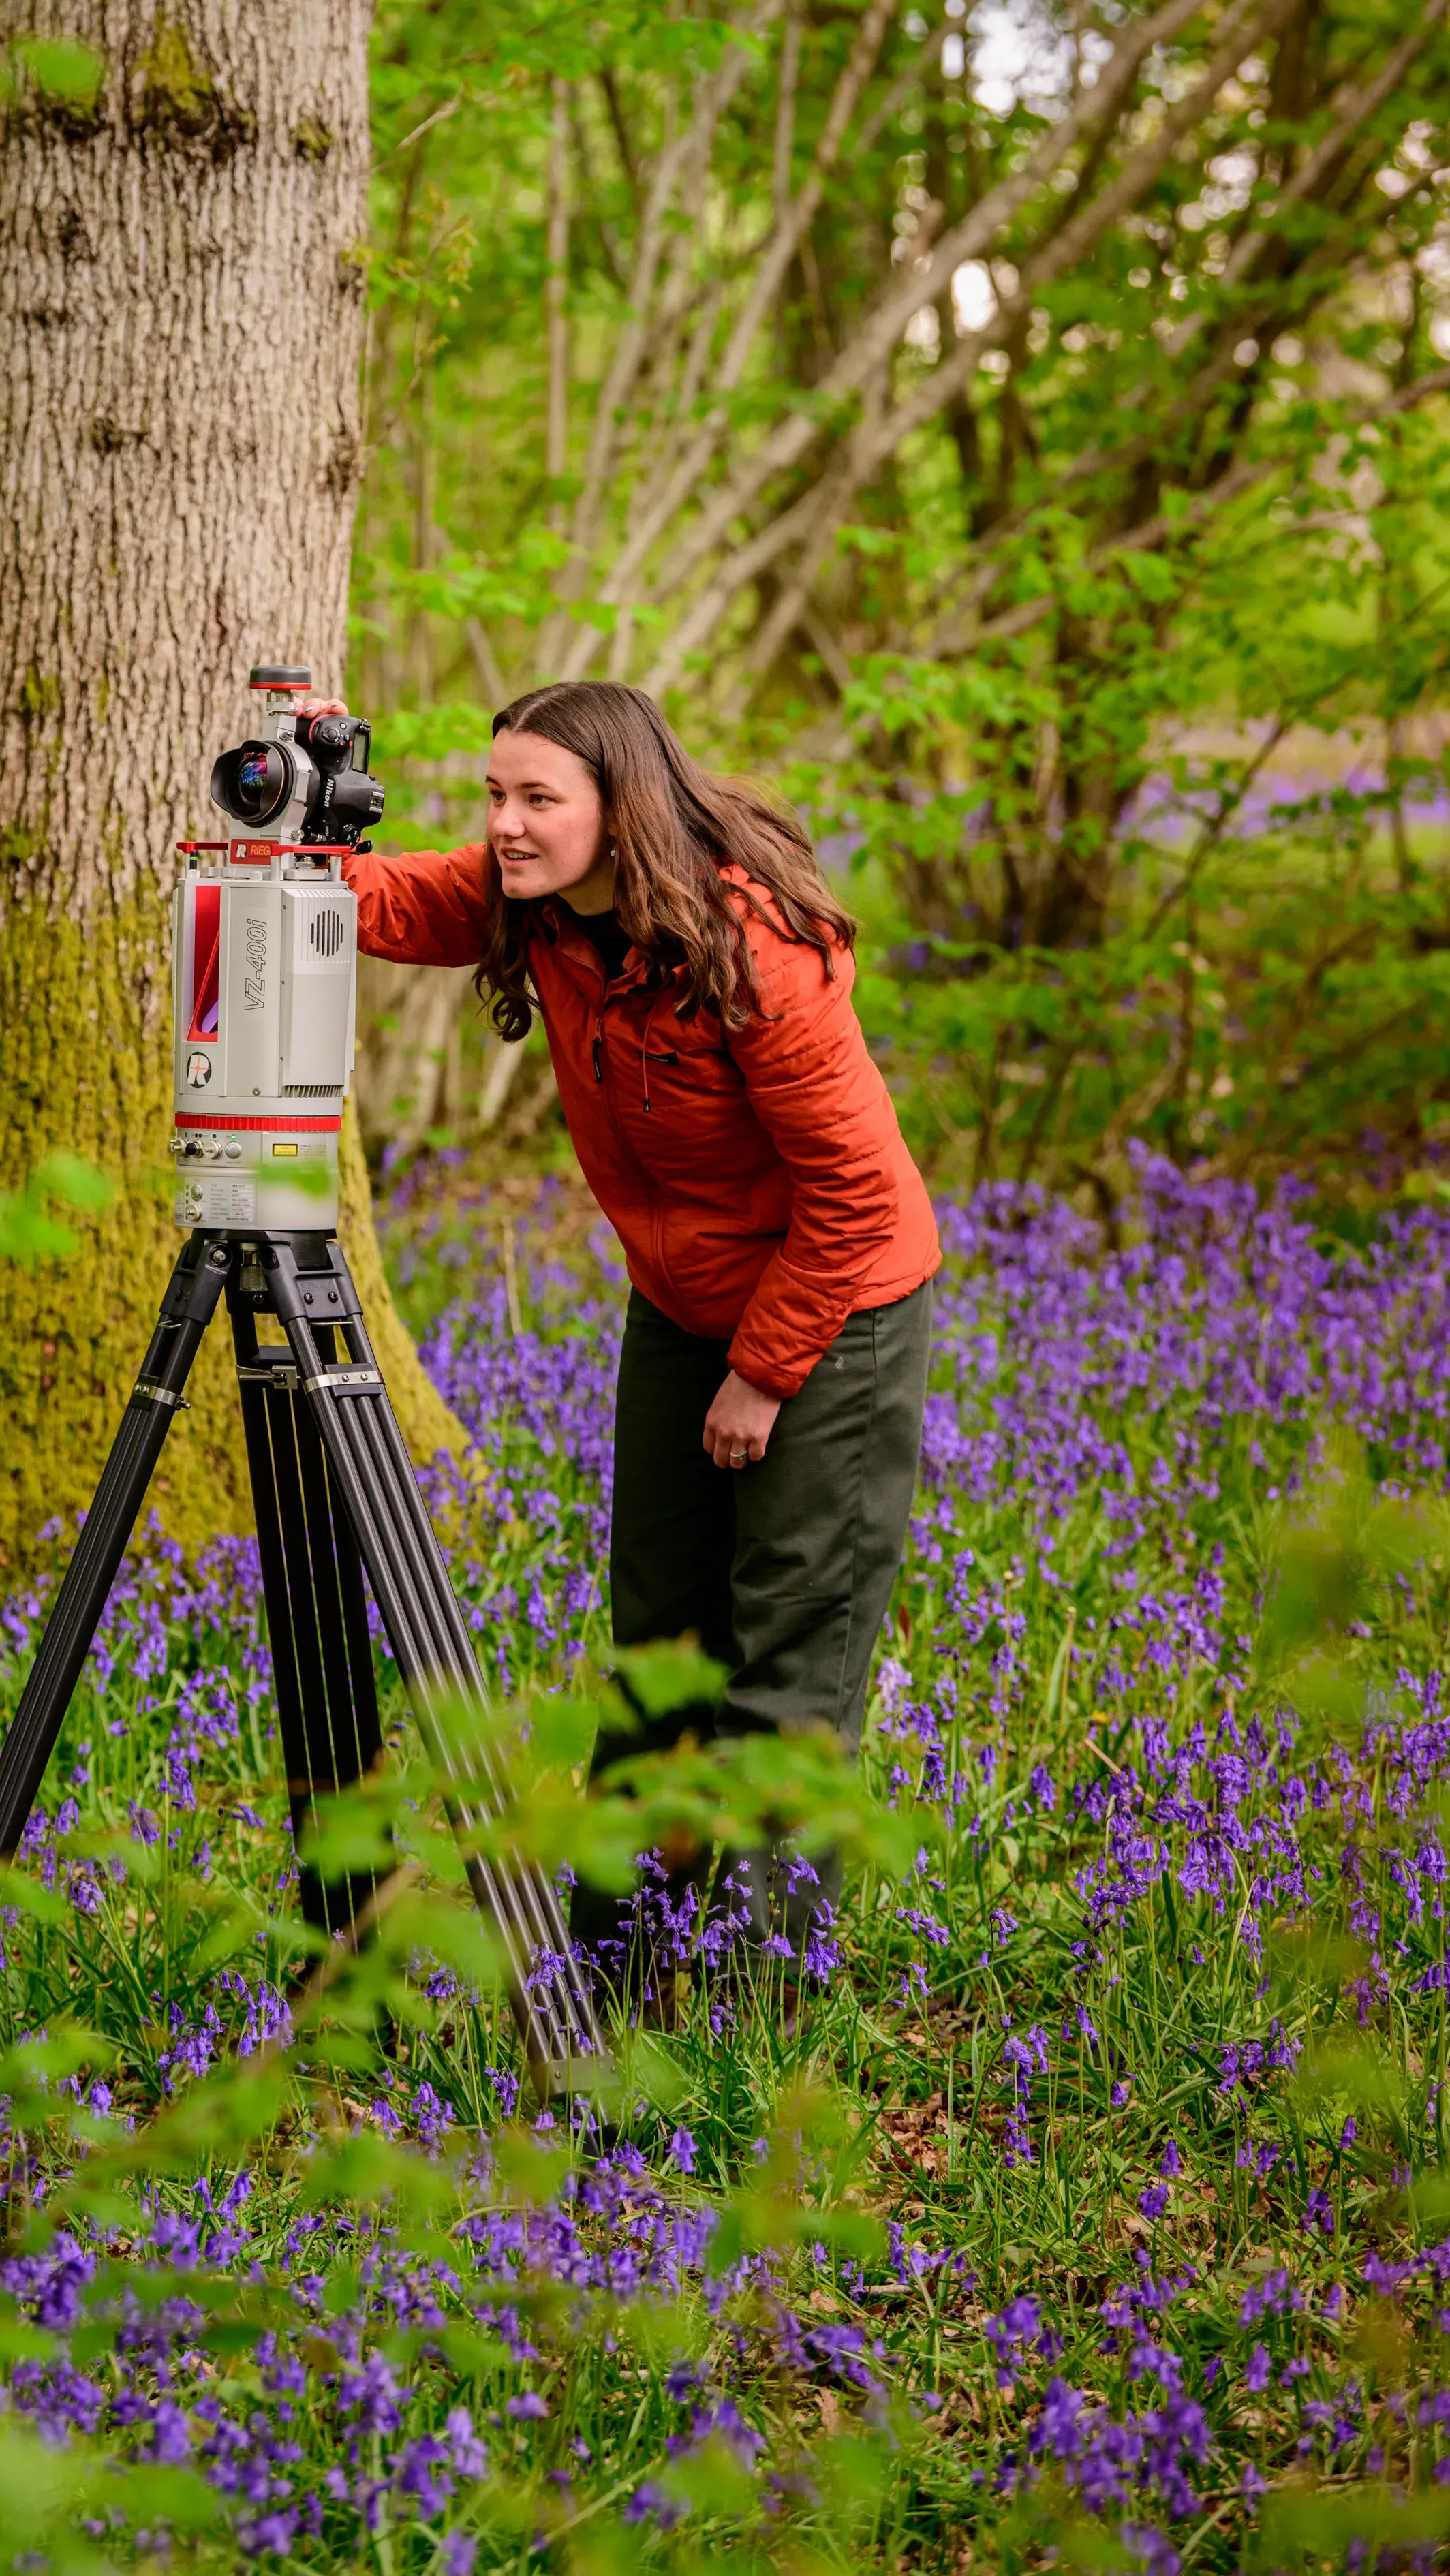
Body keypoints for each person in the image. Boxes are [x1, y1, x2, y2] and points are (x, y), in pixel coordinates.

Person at [343, 679, 938, 2008]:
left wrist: (763, 1369)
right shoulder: (542, 903)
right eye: (493, 794)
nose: (501, 822)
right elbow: (406, 900)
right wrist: (296, 837)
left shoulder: (752, 947)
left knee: (784, 1650)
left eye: (534, 797)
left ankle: (759, 2002)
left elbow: (847, 1193)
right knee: (661, 1644)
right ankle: (615, 1972)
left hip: (830, 1313)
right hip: (681, 1306)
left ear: (622, 810)